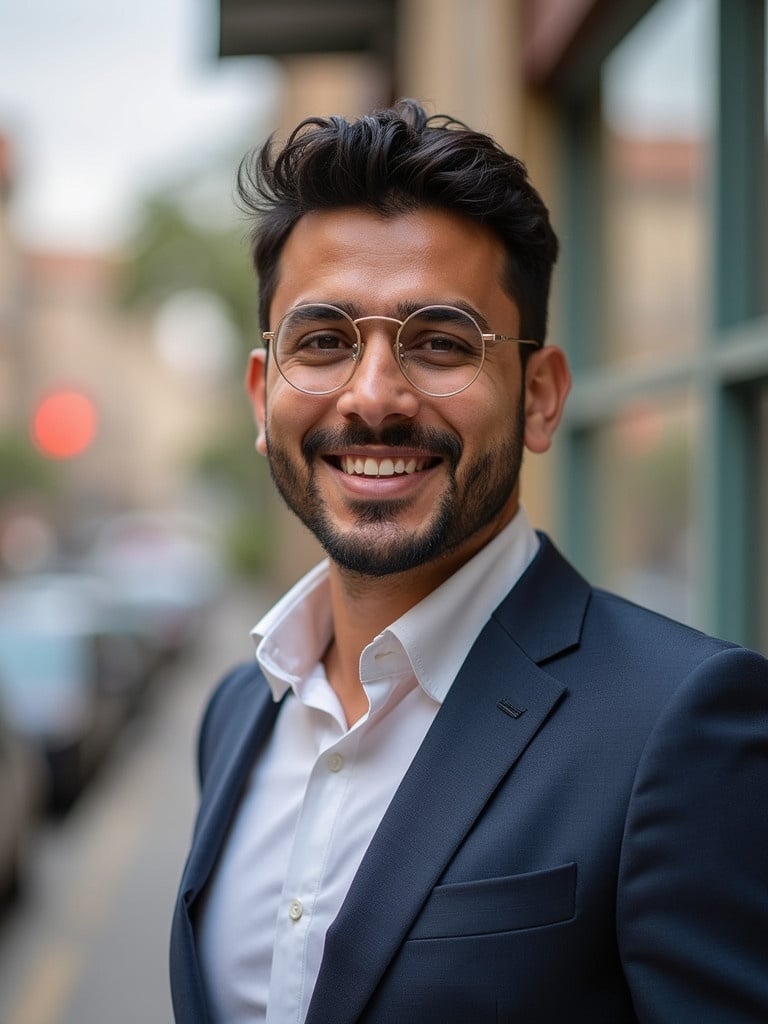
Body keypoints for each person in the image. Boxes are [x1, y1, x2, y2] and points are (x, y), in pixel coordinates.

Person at [170, 100, 768, 1023]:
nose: (373, 398)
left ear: (538, 396)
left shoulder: (681, 726)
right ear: (263, 396)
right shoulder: (241, 709)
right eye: (323, 341)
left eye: (441, 342)